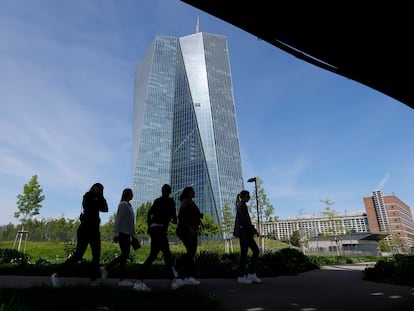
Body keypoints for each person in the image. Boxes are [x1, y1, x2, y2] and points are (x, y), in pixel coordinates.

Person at [51, 182, 109, 287]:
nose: (97, 190)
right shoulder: (87, 196)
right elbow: (89, 206)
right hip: (85, 230)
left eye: (99, 189)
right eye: (96, 188)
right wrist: (97, 199)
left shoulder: (99, 198)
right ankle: (56, 275)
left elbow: (105, 209)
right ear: (92, 188)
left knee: (96, 255)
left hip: (95, 231)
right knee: (78, 255)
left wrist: (101, 197)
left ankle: (93, 280)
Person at [133, 184, 184, 291]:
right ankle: (173, 281)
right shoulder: (170, 201)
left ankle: (140, 281)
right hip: (160, 230)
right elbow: (174, 219)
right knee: (166, 255)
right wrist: (171, 218)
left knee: (156, 255)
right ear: (169, 192)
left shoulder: (156, 201)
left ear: (162, 191)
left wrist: (149, 224)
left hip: (153, 229)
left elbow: (149, 213)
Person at [100, 188, 138, 286]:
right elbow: (118, 220)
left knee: (125, 256)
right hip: (122, 234)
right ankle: (109, 270)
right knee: (125, 255)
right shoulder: (123, 204)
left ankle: (119, 277)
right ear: (127, 194)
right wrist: (116, 234)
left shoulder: (129, 206)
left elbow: (131, 223)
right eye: (131, 193)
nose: (132, 195)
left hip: (127, 234)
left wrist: (134, 236)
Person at [175, 186, 203, 286]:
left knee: (191, 252)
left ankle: (188, 276)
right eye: (192, 191)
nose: (194, 192)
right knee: (191, 252)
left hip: (188, 230)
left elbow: (190, 214)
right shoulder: (186, 202)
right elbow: (183, 216)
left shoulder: (188, 201)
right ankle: (177, 267)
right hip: (187, 231)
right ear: (188, 193)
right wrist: (190, 229)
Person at [233, 190, 262, 284]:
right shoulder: (241, 205)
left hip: (245, 233)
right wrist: (254, 230)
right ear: (243, 196)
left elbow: (246, 220)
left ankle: (248, 274)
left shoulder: (242, 205)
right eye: (248, 196)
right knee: (253, 251)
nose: (249, 198)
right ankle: (244, 275)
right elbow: (245, 220)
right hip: (244, 233)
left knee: (246, 253)